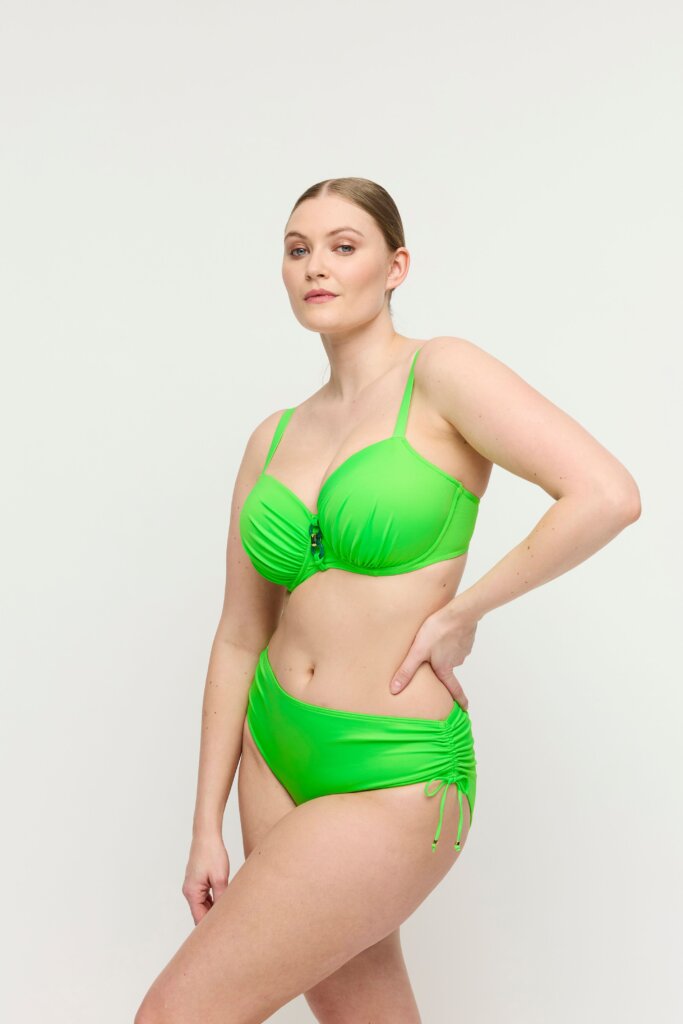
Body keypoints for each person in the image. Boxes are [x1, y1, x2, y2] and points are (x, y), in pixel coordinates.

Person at [134, 177, 641, 1024]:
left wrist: (462, 611)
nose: (315, 267)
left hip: (393, 765)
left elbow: (605, 495)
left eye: (343, 246)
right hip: (273, 753)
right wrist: (203, 826)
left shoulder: (441, 373)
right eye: (297, 250)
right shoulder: (272, 435)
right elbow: (239, 636)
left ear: (395, 266)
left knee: (177, 1014)